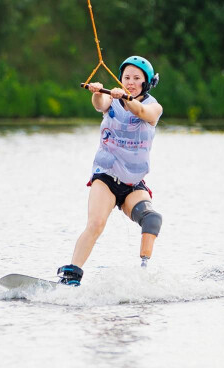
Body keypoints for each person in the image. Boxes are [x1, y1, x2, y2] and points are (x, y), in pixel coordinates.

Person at [57, 56, 164, 286]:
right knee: (96, 224)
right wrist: (98, 92)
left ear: (146, 83)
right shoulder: (111, 99)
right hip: (106, 176)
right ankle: (71, 276)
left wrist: (125, 98)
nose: (131, 82)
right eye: (127, 78)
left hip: (132, 183)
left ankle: (144, 276)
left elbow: (144, 114)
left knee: (152, 219)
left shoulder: (154, 106)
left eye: (137, 78)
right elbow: (100, 104)